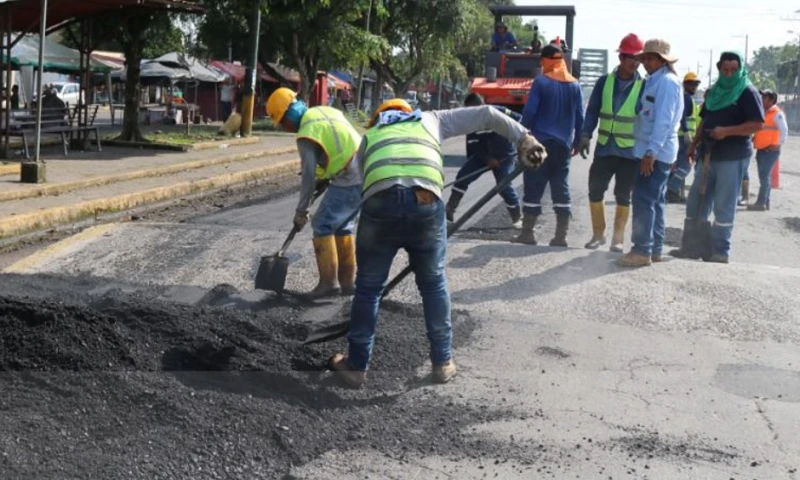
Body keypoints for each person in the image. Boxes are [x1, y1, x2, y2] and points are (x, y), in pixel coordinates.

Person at [327, 99, 547, 388]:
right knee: (433, 284)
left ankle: (356, 365)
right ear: (409, 111)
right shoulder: (431, 119)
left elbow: (367, 182)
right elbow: (487, 114)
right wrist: (524, 138)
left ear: (381, 117)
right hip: (426, 199)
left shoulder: (370, 136)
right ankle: (442, 363)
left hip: (380, 204)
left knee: (368, 288)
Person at [265, 87, 363, 298]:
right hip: (366, 169)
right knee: (343, 225)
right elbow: (339, 145)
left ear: (290, 114)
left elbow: (308, 175)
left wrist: (302, 210)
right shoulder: (323, 112)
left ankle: (329, 283)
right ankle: (347, 283)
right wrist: (326, 178)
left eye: (283, 122)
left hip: (350, 175)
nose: (284, 128)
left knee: (322, 223)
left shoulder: (307, 132)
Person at [670, 51, 764, 263]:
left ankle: (720, 250)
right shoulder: (714, 92)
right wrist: (693, 145)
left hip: (733, 156)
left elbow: (757, 125)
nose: (729, 74)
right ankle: (692, 247)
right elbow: (705, 120)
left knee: (724, 204)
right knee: (696, 200)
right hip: (707, 154)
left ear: (739, 70)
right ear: (719, 69)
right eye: (725, 70)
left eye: (734, 70)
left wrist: (726, 131)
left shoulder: (748, 92)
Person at [617, 39, 683, 267]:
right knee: (655, 201)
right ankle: (653, 248)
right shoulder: (655, 81)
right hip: (652, 150)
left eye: (650, 58)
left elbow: (663, 121)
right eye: (644, 58)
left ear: (662, 60)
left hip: (654, 152)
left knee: (644, 200)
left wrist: (650, 153)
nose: (645, 62)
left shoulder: (666, 82)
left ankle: (642, 250)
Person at [579, 33, 645, 253]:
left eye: (638, 59)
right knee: (595, 189)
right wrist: (586, 134)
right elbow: (592, 110)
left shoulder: (644, 86)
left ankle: (618, 239)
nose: (634, 63)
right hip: (605, 147)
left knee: (623, 195)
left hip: (629, 152)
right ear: (621, 58)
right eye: (630, 58)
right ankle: (598, 235)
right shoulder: (604, 82)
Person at [514, 43, 584, 246]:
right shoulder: (574, 84)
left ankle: (527, 233)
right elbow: (580, 116)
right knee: (560, 186)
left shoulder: (541, 82)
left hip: (539, 145)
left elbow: (529, 112)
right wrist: (578, 140)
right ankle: (561, 236)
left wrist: (521, 136)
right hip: (563, 146)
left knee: (534, 185)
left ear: (545, 60)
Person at [445, 92, 523, 228]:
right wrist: (488, 159)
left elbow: (520, 120)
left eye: (472, 110)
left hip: (505, 156)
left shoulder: (499, 111)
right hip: (482, 156)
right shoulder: (470, 122)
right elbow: (473, 147)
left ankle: (517, 217)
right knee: (462, 178)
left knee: (503, 185)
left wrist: (519, 142)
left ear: (481, 106)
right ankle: (449, 212)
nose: (470, 113)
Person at [747, 89, 786, 211]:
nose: (761, 99)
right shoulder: (764, 113)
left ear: (771, 100)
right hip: (762, 150)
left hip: (770, 150)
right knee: (765, 177)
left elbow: (784, 130)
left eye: (764, 98)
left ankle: (761, 203)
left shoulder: (777, 113)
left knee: (764, 177)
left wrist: (778, 144)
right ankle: (765, 202)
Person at [666, 72, 702, 203]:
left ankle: (673, 193)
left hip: (680, 137)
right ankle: (671, 188)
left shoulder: (684, 97)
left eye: (696, 84)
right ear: (685, 84)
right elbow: (681, 116)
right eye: (691, 84)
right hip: (683, 137)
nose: (694, 87)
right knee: (686, 166)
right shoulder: (686, 98)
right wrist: (687, 132)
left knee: (677, 166)